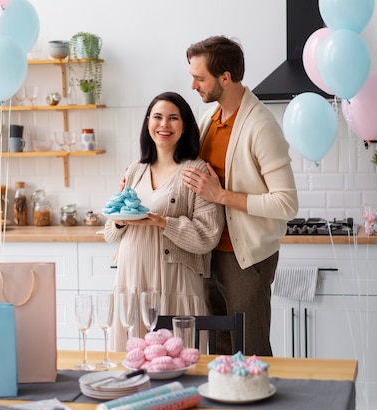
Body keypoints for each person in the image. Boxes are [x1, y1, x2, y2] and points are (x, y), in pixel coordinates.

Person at [181, 36, 299, 356]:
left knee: (250, 351)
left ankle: (260, 407)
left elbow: (287, 203)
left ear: (225, 77)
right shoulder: (209, 120)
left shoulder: (261, 126)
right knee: (217, 350)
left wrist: (221, 195)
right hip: (209, 252)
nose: (193, 85)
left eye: (200, 77)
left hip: (245, 259)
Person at [104, 91, 225, 352]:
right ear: (148, 122)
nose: (164, 125)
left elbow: (207, 235)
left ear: (185, 126)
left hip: (174, 282)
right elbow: (110, 232)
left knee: (176, 358)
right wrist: (121, 222)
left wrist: (163, 223)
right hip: (131, 277)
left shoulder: (197, 170)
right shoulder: (135, 169)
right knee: (130, 363)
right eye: (157, 117)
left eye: (173, 118)